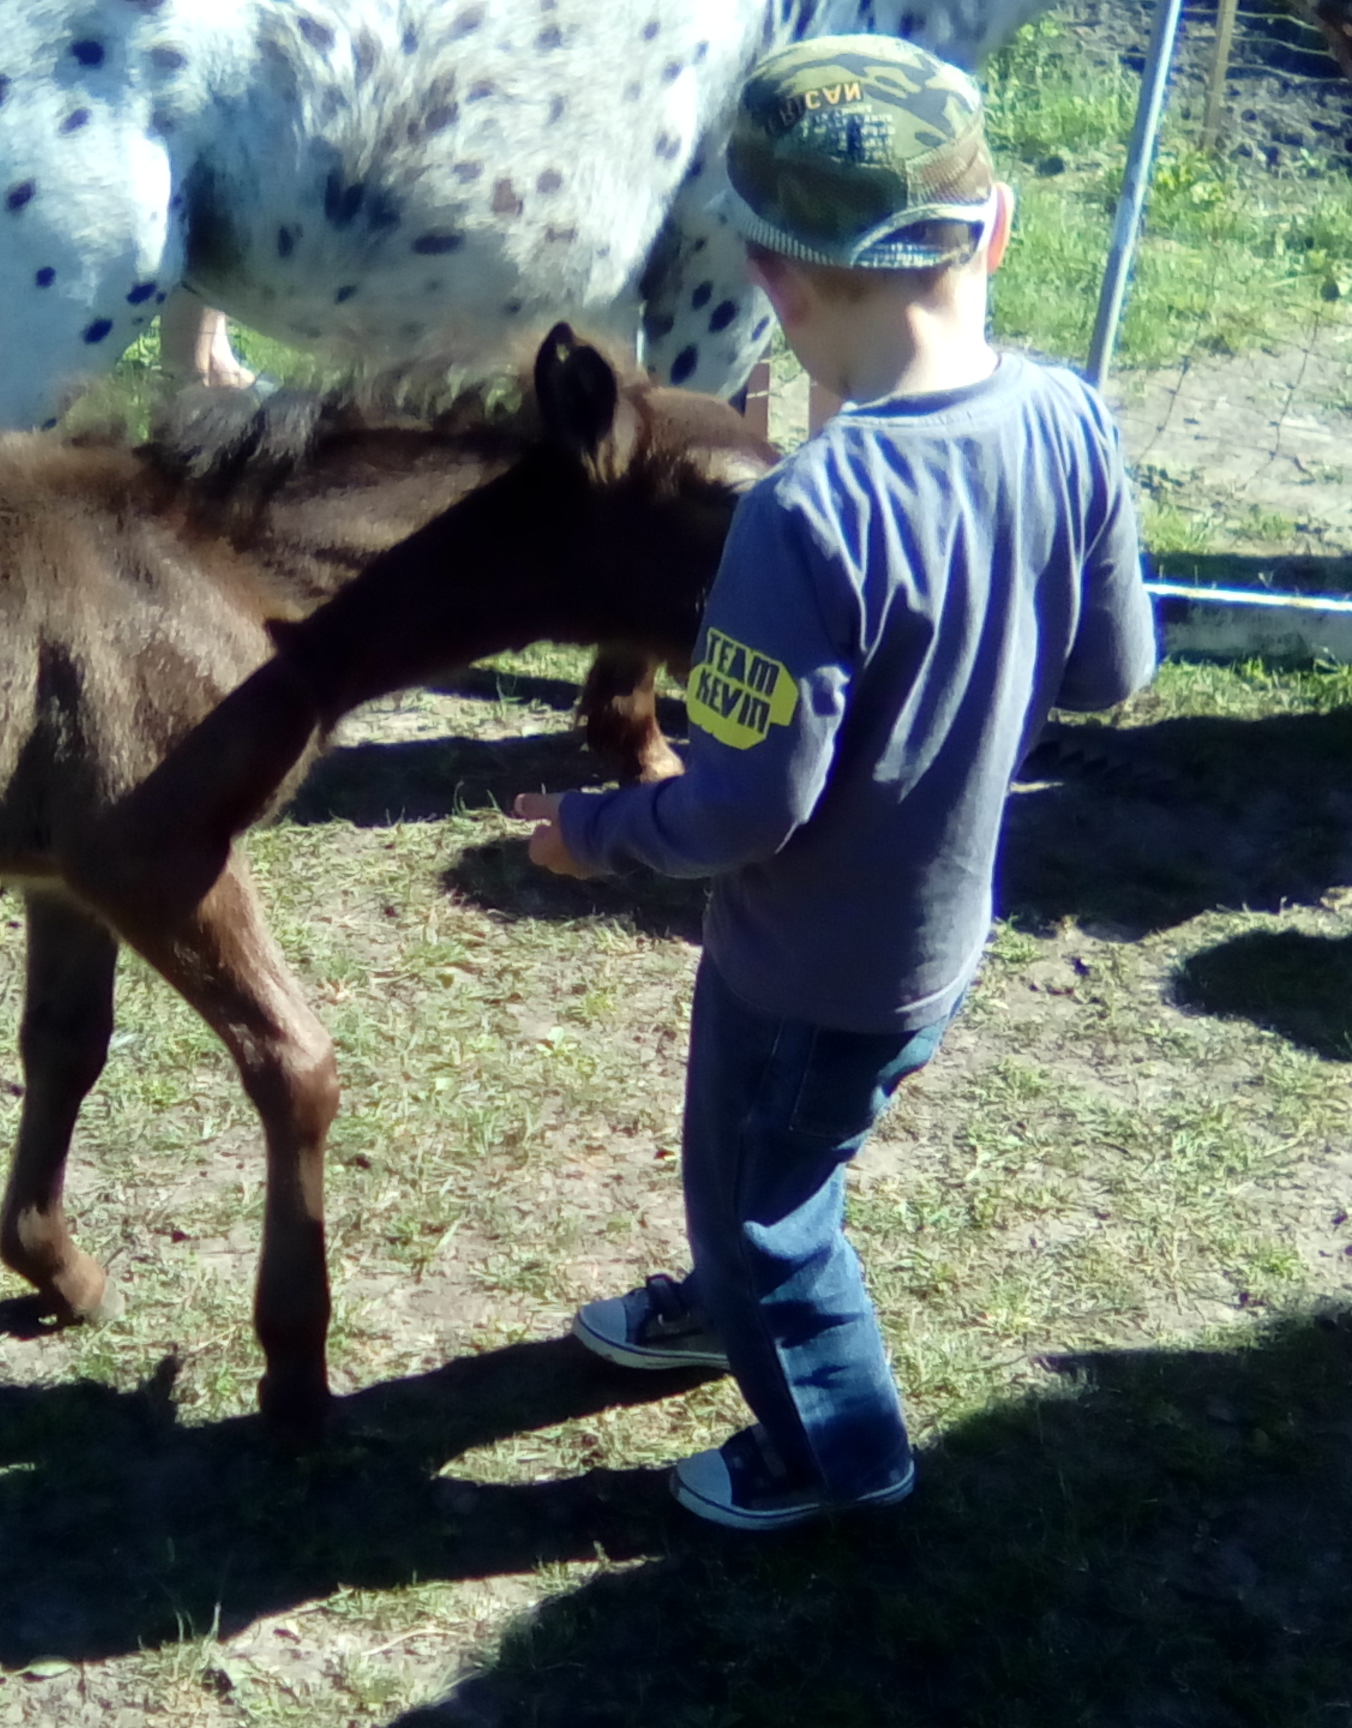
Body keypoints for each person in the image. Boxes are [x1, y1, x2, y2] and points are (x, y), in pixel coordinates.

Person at [509, 36, 1155, 1531]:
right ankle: (720, 1303)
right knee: (767, 1158)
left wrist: (594, 835)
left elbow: (744, 808)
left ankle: (835, 1449)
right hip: (938, 933)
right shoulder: (1069, 413)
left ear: (775, 282)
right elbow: (1112, 671)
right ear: (992, 231)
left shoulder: (806, 520)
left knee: (767, 1202)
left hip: (808, 965)